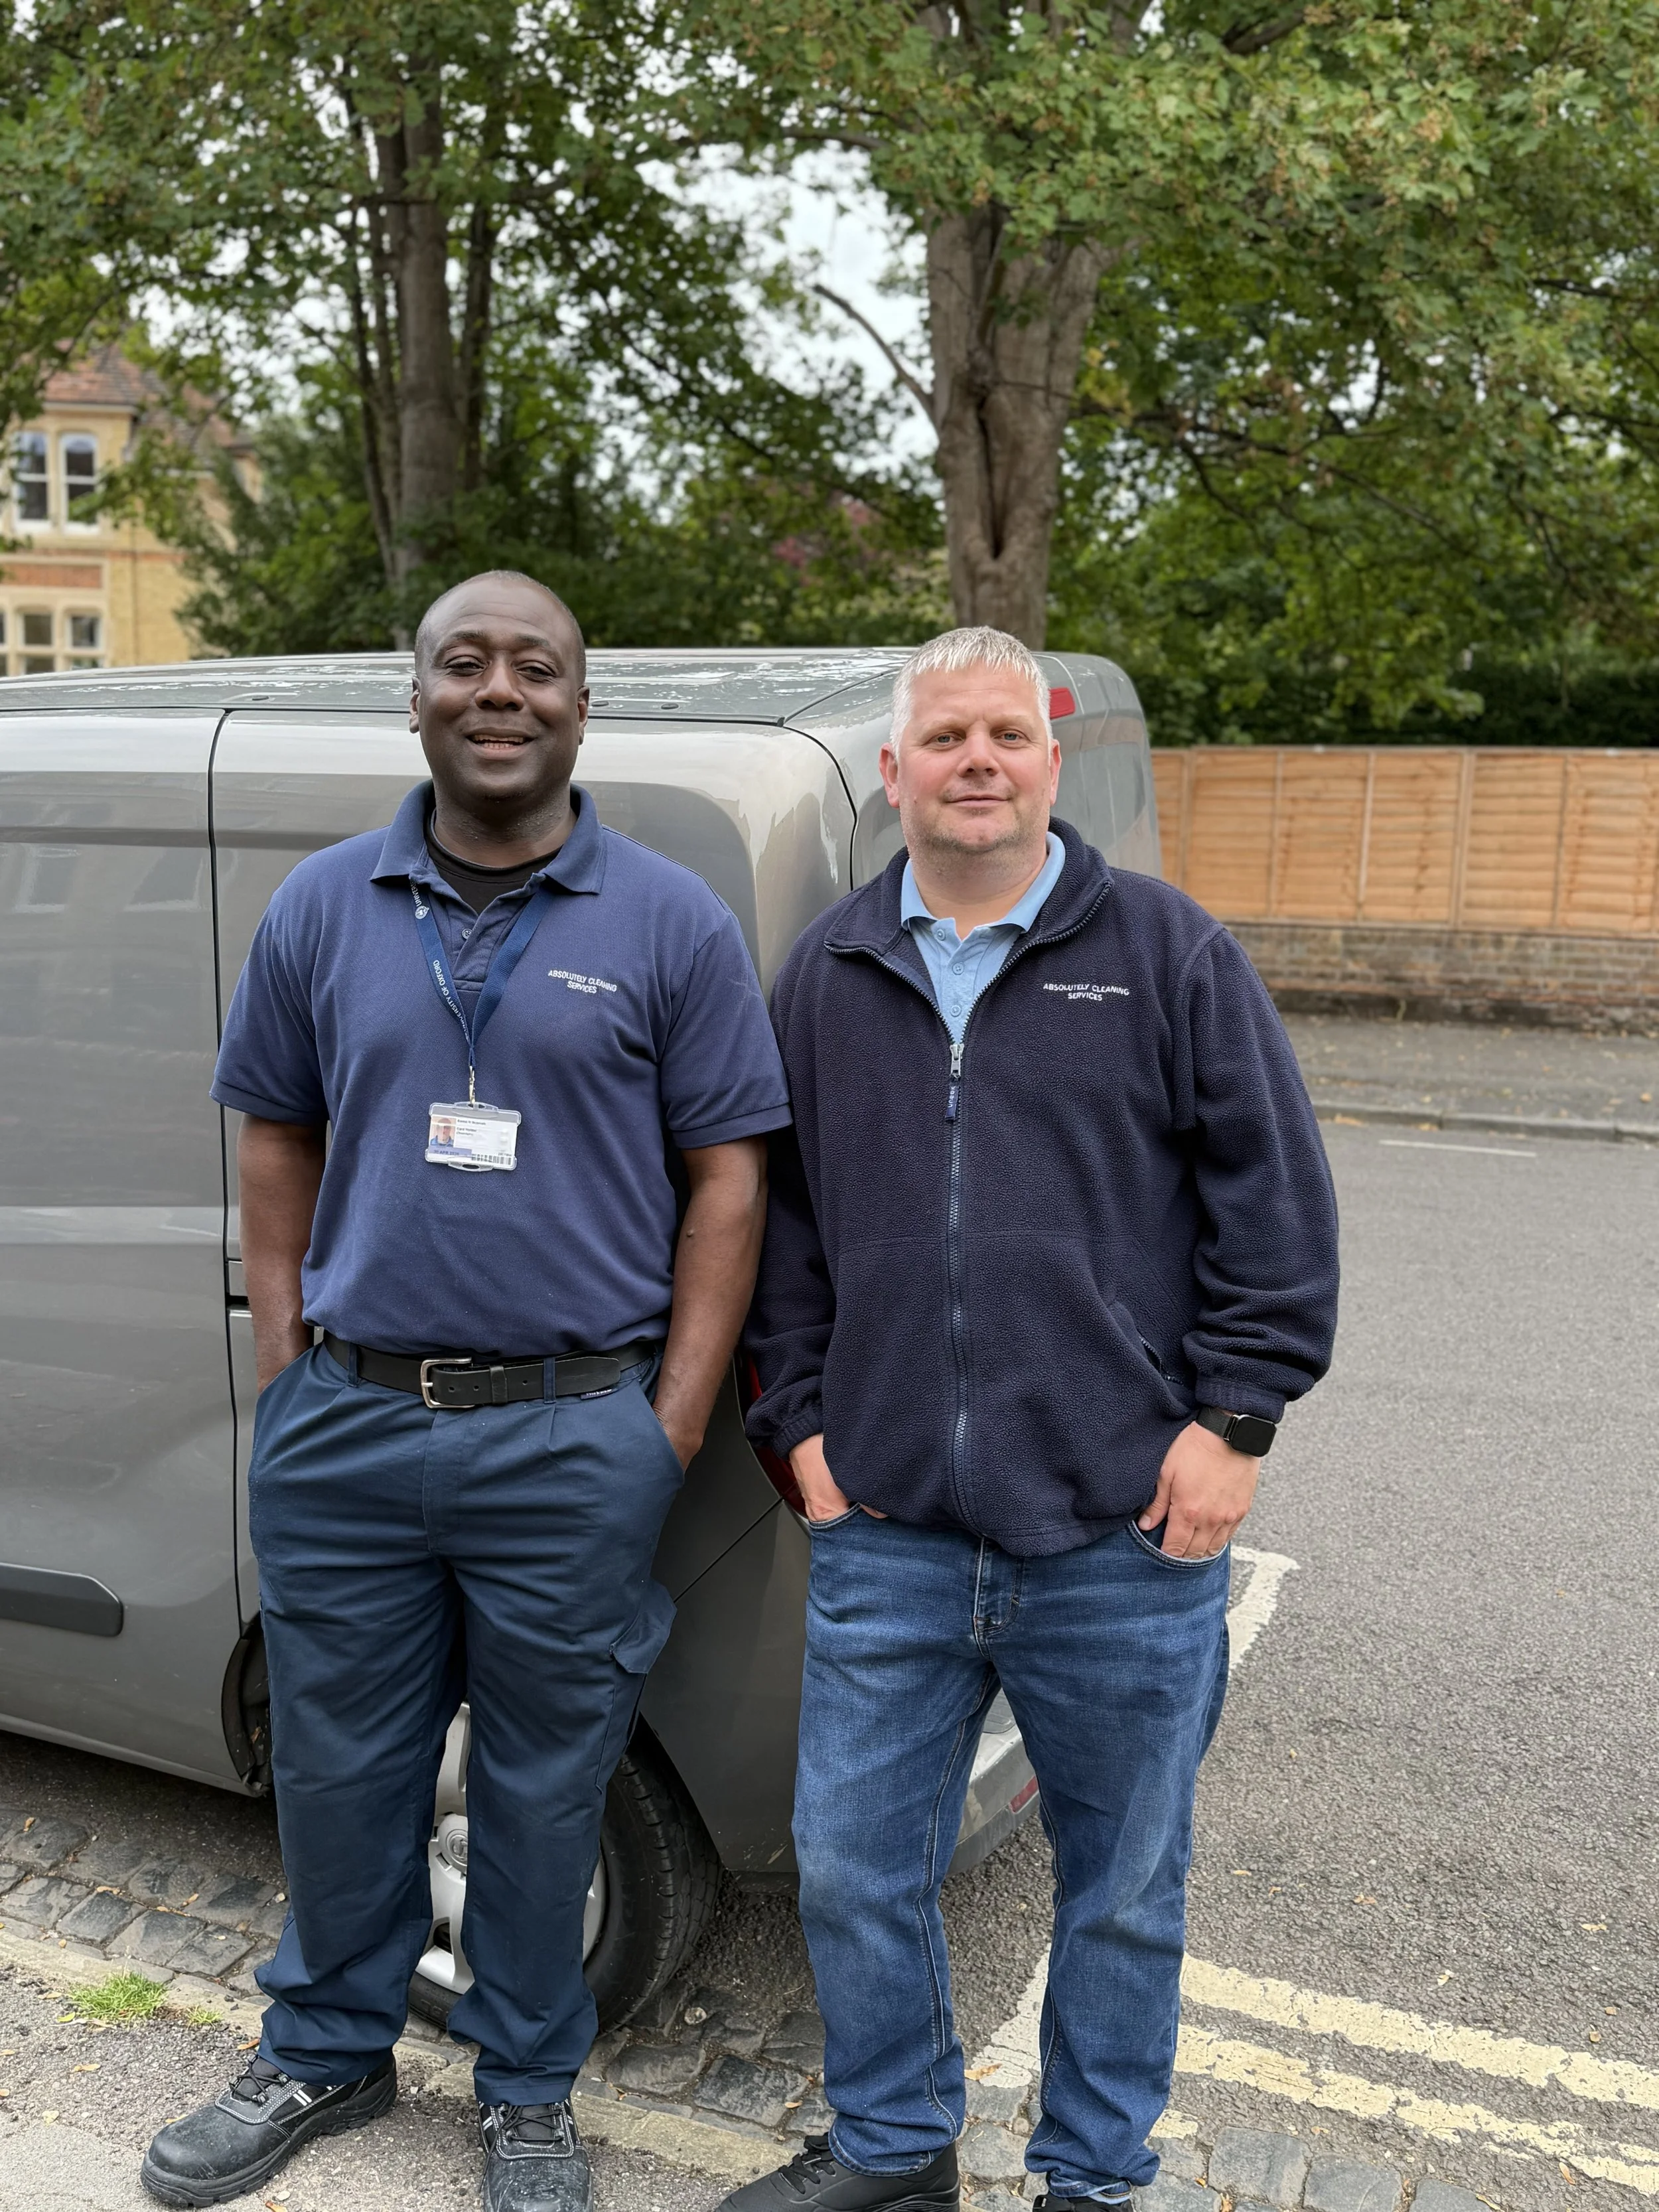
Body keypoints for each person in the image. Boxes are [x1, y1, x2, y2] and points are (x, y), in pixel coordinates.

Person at [141, 572, 792, 2212]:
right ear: (414, 693)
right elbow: (274, 1134)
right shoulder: (319, 908)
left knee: (540, 1780)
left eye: (537, 667)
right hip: (347, 1424)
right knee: (342, 1768)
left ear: (583, 702)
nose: (500, 690)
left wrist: (671, 1420)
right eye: (465, 663)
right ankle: (325, 2052)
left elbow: (731, 1183)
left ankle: (523, 2092)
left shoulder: (666, 919)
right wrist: (291, 1363)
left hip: (573, 1433)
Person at [731, 628, 1339, 2212]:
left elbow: (1272, 1212)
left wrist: (1233, 1424)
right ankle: (890, 2149)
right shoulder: (830, 975)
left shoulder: (1164, 950)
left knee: (1122, 1891)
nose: (976, 760)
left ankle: (1090, 2176)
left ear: (1049, 763)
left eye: (1006, 732)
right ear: (896, 772)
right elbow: (777, 1236)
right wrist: (793, 1429)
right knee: (858, 1870)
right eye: (945, 738)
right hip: (889, 1538)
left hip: (1120, 1537)